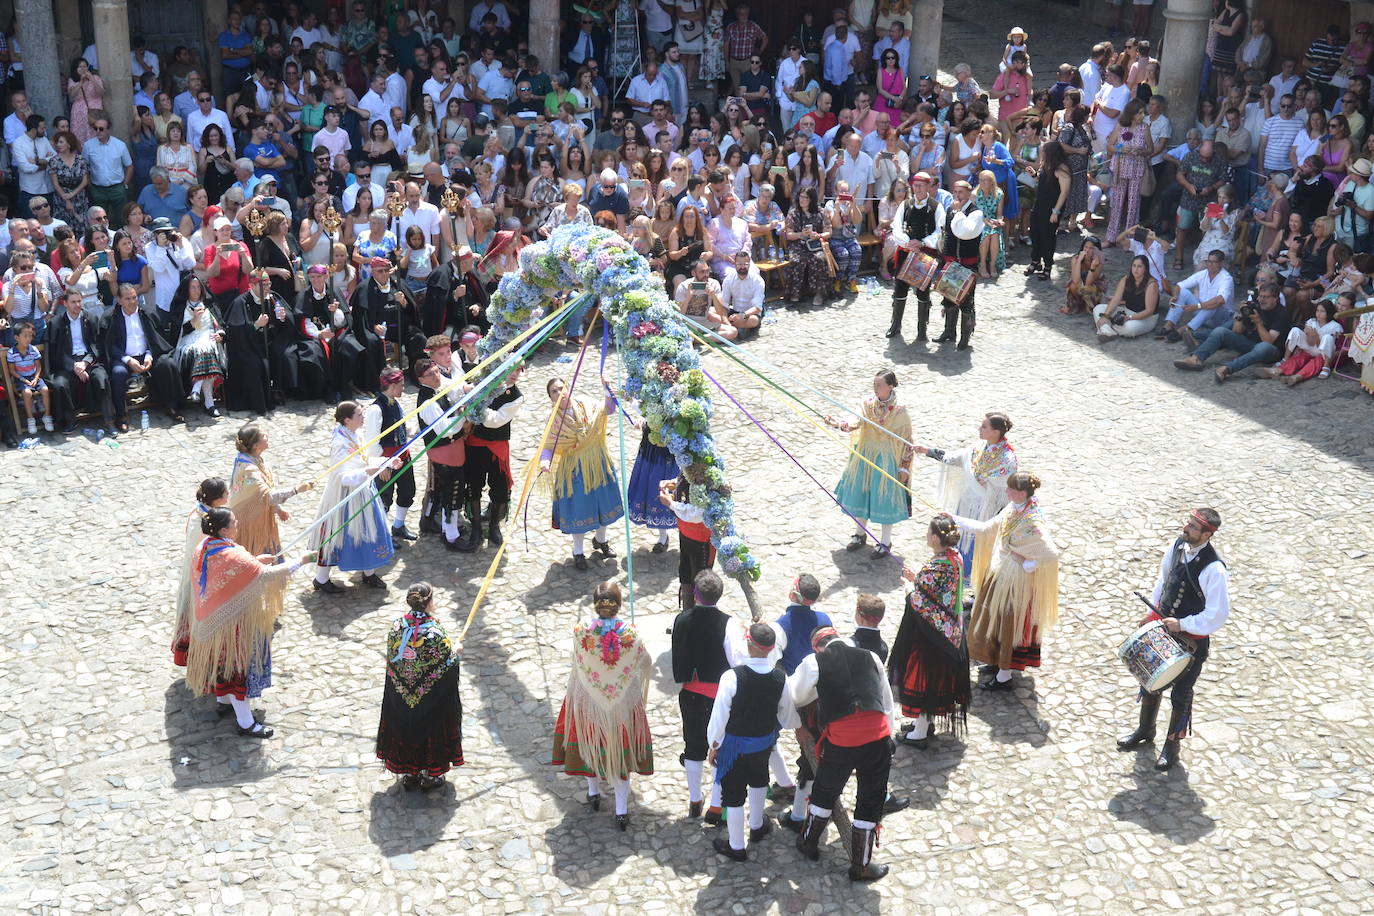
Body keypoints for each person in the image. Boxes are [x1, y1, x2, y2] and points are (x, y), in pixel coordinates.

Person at [184, 507, 313, 738]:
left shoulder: (205, 546)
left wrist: (254, 561)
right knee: (237, 670)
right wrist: (301, 561)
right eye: (234, 522)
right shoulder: (232, 554)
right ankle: (246, 723)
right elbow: (265, 576)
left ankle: (223, 701)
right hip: (231, 625)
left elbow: (235, 573)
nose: (238, 524)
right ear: (224, 529)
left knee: (221, 665)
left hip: (211, 620)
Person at [1117, 509, 1230, 771]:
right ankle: (1145, 731)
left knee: (1181, 695)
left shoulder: (1214, 569)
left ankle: (1172, 747)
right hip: (1162, 628)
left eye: (1192, 526)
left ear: (1207, 534)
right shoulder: (1177, 545)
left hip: (1191, 640)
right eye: (1188, 523)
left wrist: (1183, 624)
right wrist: (1152, 613)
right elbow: (1164, 581)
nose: (1185, 528)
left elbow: (1217, 614)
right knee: (1150, 683)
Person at [789, 626, 897, 882]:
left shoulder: (814, 661)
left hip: (842, 740)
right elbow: (885, 700)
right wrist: (888, 735)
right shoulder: (869, 656)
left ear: (817, 646)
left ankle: (808, 842)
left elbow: (797, 695)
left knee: (825, 790)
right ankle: (860, 866)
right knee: (870, 800)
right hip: (876, 737)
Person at [552, 580, 653, 830]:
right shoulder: (630, 633)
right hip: (622, 706)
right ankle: (621, 811)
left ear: (596, 604)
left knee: (590, 744)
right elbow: (644, 660)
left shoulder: (581, 630)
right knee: (619, 755)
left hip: (588, 701)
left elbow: (579, 660)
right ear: (618, 605)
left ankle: (593, 792)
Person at [948, 472, 1059, 691]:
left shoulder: (1032, 521)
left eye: (1009, 489)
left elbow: (1050, 554)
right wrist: (955, 520)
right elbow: (987, 528)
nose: (1006, 492)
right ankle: (995, 661)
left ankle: (1004, 675)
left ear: (1021, 493)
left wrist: (1027, 564)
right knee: (993, 618)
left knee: (1008, 623)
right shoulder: (1012, 509)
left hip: (1015, 583)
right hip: (999, 573)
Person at [708, 621, 794, 861]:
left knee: (733, 793)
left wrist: (714, 745)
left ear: (748, 644)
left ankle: (737, 846)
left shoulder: (732, 677)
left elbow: (719, 716)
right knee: (759, 780)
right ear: (771, 648)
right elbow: (786, 715)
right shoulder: (780, 678)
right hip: (763, 742)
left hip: (733, 746)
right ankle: (756, 826)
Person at [672, 569, 745, 825]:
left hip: (691, 692)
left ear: (695, 593)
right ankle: (715, 805)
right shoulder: (729, 623)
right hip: (720, 697)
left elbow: (678, 657)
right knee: (720, 748)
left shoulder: (682, 619)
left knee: (693, 746)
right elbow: (737, 661)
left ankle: (694, 798)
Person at [375, 581, 465, 791]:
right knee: (430, 730)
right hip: (429, 698)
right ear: (430, 601)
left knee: (405, 729)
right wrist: (456, 652)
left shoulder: (397, 626)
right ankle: (431, 776)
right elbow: (447, 663)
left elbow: (394, 659)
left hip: (401, 695)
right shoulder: (435, 633)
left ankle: (410, 774)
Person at [891, 514, 970, 748]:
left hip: (932, 634)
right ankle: (922, 725)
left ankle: (920, 732)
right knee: (935, 679)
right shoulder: (954, 558)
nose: (926, 535)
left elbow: (919, 601)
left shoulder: (936, 566)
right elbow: (935, 590)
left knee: (925, 680)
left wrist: (908, 586)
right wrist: (917, 578)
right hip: (950, 629)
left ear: (936, 538)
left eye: (929, 532)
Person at [307, 400, 398, 592]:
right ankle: (321, 579)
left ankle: (369, 573)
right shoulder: (340, 443)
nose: (363, 417)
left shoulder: (354, 434)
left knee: (370, 530)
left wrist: (386, 462)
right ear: (347, 420)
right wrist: (368, 471)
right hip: (344, 497)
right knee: (336, 535)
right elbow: (343, 477)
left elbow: (362, 460)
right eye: (359, 415)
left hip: (363, 491)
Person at [916, 412, 1017, 584]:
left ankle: (973, 581)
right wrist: (928, 451)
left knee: (976, 546)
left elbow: (1005, 490)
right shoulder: (977, 448)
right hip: (966, 505)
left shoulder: (1007, 460)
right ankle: (952, 571)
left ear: (996, 432)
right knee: (958, 540)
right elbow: (955, 458)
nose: (980, 428)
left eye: (984, 426)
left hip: (985, 511)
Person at [823, 368, 913, 557]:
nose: (875, 388)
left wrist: (904, 466)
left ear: (890, 386)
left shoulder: (900, 411)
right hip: (865, 453)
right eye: (874, 384)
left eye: (879, 385)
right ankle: (859, 534)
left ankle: (885, 541)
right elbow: (856, 421)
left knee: (884, 498)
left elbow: (907, 440)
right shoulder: (867, 404)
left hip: (886, 458)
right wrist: (839, 424)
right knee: (861, 493)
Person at [538, 375, 623, 569]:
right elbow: (549, 445)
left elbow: (609, 409)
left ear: (569, 388)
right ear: (550, 398)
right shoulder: (555, 421)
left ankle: (601, 540)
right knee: (580, 509)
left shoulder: (587, 404)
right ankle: (578, 552)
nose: (559, 393)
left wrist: (606, 390)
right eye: (554, 391)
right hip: (575, 469)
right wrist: (545, 461)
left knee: (603, 503)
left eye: (561, 388)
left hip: (598, 462)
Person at [103, 282, 185, 429]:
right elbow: (110, 345)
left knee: (167, 364)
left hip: (147, 354)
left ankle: (172, 406)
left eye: (134, 297)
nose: (132, 302)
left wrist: (149, 355)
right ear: (119, 300)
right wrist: (128, 360)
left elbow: (156, 339)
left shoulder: (147, 313)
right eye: (127, 299)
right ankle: (121, 415)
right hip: (124, 358)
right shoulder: (111, 317)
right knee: (118, 373)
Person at [1173, 281, 1291, 383]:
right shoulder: (1256, 306)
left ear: (1275, 298)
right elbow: (1236, 331)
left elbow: (1269, 341)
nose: (1261, 300)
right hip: (1250, 343)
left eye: (1266, 297)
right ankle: (1197, 359)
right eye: (1260, 296)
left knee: (1263, 347)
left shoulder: (1281, 313)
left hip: (1271, 351)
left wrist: (1259, 322)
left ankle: (1227, 369)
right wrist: (1241, 315)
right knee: (1221, 331)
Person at [415, 358, 473, 551]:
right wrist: (463, 415)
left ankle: (447, 527)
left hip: (451, 449)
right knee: (453, 491)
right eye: (430, 374)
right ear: (421, 379)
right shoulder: (427, 401)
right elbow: (444, 429)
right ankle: (451, 536)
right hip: (443, 451)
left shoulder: (438, 389)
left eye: (436, 372)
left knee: (449, 490)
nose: (436, 376)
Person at [463, 362, 524, 549]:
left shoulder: (516, 397)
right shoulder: (483, 383)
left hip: (497, 447)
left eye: (518, 370)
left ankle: (494, 525)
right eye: (511, 369)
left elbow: (495, 421)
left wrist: (478, 404)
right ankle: (475, 528)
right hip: (475, 445)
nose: (514, 374)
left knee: (500, 488)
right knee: (473, 485)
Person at [172, 478, 229, 668]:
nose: (228, 495)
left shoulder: (199, 513)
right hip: (202, 578)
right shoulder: (205, 524)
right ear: (217, 500)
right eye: (225, 493)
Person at [46, 288, 115, 435]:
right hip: (67, 363)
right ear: (65, 303)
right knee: (60, 384)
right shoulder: (56, 322)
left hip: (88, 359)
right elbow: (56, 352)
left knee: (101, 378)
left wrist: (85, 363)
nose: (77, 305)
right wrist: (73, 366)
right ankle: (69, 420)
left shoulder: (89, 318)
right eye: (73, 302)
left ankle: (109, 421)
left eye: (79, 301)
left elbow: (97, 345)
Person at [886, 172, 945, 339]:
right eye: (915, 185)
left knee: (923, 291)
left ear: (928, 186)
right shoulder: (905, 205)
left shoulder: (936, 207)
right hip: (905, 253)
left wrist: (923, 243)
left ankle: (922, 330)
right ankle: (895, 325)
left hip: (925, 256)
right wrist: (908, 243)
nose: (917, 188)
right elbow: (896, 227)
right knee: (900, 288)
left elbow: (939, 231)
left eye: (921, 185)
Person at [364, 368, 419, 542]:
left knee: (407, 491)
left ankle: (398, 526)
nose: (403, 388)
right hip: (387, 462)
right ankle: (382, 534)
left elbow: (401, 425)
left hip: (403, 457)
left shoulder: (395, 403)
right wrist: (382, 465)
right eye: (401, 385)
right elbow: (372, 443)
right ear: (393, 386)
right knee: (384, 498)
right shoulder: (376, 409)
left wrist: (414, 430)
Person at [938, 181, 983, 348]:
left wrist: (957, 213)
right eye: (955, 192)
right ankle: (949, 331)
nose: (957, 196)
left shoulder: (976, 213)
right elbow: (944, 230)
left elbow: (965, 232)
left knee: (966, 301)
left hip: (967, 263)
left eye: (961, 193)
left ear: (969, 194)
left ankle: (965, 337)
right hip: (950, 262)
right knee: (949, 297)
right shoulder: (950, 210)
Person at [1158, 249, 1237, 342]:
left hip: (1219, 318)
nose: (1210, 265)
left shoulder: (1226, 278)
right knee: (1183, 292)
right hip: (1202, 313)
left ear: (1221, 263)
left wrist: (1197, 306)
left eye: (1214, 262)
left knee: (1213, 304)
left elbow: (1220, 300)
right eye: (1208, 261)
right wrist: (1175, 297)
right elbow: (1180, 285)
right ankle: (1168, 326)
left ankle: (1183, 331)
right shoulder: (1203, 274)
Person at [171, 295, 228, 416]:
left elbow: (219, 323)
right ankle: (209, 403)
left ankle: (197, 388)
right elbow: (179, 331)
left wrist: (220, 335)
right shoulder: (182, 307)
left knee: (207, 350)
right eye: (193, 287)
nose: (196, 290)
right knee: (205, 352)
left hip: (209, 339)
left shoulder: (209, 305)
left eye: (198, 287)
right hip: (188, 344)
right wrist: (195, 319)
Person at [1094, 254, 1161, 341]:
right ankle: (1108, 331)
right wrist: (1106, 316)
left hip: (1145, 318)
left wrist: (1129, 318)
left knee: (1129, 329)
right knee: (1098, 308)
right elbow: (1116, 299)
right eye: (1134, 266)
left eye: (1139, 266)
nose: (1136, 269)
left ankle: (1106, 327)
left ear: (1145, 269)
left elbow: (1149, 311)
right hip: (1126, 312)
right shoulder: (1126, 279)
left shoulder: (1151, 284)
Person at [6, 320, 51, 434]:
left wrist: (36, 378)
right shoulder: (12, 353)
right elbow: (12, 371)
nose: (28, 339)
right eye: (25, 336)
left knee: (45, 390)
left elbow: (38, 367)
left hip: (34, 376)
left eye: (30, 336)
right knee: (27, 393)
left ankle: (47, 415)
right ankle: (30, 419)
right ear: (17, 338)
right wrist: (23, 380)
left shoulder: (33, 350)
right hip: (20, 378)